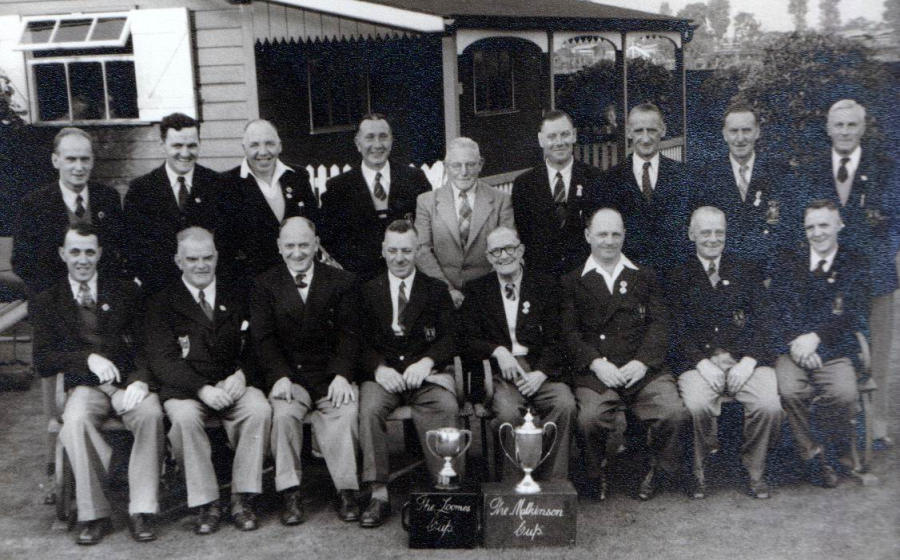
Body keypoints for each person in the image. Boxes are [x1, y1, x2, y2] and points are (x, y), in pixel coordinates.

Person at [32, 224, 163, 545]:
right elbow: (43, 360)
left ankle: (142, 509)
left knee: (151, 414)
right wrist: (87, 359)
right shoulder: (48, 299)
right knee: (74, 422)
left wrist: (142, 380)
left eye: (89, 251)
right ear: (63, 254)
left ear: (100, 254)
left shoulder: (125, 291)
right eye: (75, 251)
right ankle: (94, 514)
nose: (82, 259)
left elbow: (148, 344)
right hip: (85, 388)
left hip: (127, 383)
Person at [146, 227, 271, 534]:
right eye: (192, 259)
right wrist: (200, 388)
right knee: (185, 419)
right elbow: (162, 359)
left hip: (232, 385)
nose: (200, 265)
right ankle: (207, 503)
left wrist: (244, 374)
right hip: (187, 390)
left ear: (216, 257)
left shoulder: (238, 293)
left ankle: (242, 497)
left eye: (206, 258)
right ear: (178, 261)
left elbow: (260, 342)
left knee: (259, 409)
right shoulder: (162, 301)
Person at [562, 208, 688, 501]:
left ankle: (655, 469)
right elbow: (569, 333)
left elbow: (660, 324)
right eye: (602, 234)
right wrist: (595, 363)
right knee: (590, 418)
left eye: (616, 234)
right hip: (598, 372)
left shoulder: (644, 276)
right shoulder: (572, 281)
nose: (609, 241)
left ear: (624, 236)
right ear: (588, 236)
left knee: (673, 412)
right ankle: (595, 473)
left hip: (640, 369)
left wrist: (642, 362)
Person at [250, 217, 361, 525]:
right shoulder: (264, 285)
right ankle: (290, 492)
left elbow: (350, 334)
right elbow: (263, 338)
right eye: (290, 246)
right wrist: (278, 376)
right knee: (283, 415)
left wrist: (342, 374)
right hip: (291, 376)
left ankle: (347, 490)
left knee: (346, 411)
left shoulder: (342, 281)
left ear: (315, 245)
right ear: (279, 247)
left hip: (330, 375)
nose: (297, 253)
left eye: (303, 245)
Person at [670, 207, 784, 499]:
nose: (712, 239)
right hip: (699, 364)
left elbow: (768, 322)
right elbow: (676, 330)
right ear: (691, 234)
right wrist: (701, 364)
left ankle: (754, 470)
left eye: (719, 232)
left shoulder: (746, 270)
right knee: (696, 405)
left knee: (769, 405)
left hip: (744, 361)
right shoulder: (678, 274)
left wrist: (749, 361)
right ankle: (698, 471)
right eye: (705, 232)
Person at [801, 99, 897, 445]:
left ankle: (877, 423)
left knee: (877, 351)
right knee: (837, 344)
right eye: (838, 125)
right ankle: (842, 424)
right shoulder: (813, 170)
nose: (844, 132)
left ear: (862, 128)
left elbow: (892, 220)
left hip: (875, 277)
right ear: (828, 129)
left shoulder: (885, 169)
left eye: (851, 125)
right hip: (829, 276)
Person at [356, 219, 460, 528]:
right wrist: (377, 368)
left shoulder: (436, 289)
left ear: (417, 251)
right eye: (393, 251)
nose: (399, 258)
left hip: (424, 374)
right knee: (370, 408)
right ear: (383, 251)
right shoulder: (366, 290)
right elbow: (355, 340)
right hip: (384, 375)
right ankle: (378, 494)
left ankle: (446, 486)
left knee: (446, 406)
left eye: (406, 251)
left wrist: (427, 361)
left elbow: (452, 336)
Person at [461, 226, 575, 481]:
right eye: (496, 251)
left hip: (540, 370)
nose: (504, 256)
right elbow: (466, 340)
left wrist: (542, 373)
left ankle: (551, 484)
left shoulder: (545, 285)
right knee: (508, 414)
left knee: (564, 404)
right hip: (501, 375)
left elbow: (559, 338)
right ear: (488, 257)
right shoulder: (477, 290)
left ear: (521, 250)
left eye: (509, 248)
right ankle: (513, 489)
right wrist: (497, 350)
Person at [770, 200, 868, 488]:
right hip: (793, 350)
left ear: (839, 225)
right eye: (810, 227)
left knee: (844, 393)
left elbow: (854, 313)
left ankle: (821, 450)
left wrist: (817, 340)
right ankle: (813, 456)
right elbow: (776, 308)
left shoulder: (856, 262)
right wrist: (795, 344)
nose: (817, 233)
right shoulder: (789, 260)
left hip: (835, 349)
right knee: (789, 389)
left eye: (824, 225)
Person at [13, 127, 124, 296]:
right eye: (71, 159)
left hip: (104, 297)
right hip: (56, 300)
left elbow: (119, 251)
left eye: (84, 159)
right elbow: (22, 263)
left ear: (92, 161)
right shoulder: (34, 205)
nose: (79, 167)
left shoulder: (108, 198)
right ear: (55, 161)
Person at [320, 114, 431, 282]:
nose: (377, 145)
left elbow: (427, 230)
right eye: (370, 138)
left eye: (383, 137)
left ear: (392, 141)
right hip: (361, 281)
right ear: (358, 144)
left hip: (408, 277)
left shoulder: (415, 179)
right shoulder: (338, 188)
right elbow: (330, 238)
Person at [124, 113, 223, 296]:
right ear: (162, 146)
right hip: (160, 294)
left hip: (208, 292)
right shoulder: (141, 191)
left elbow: (226, 244)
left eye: (192, 145)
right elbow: (134, 250)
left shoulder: (217, 185)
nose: (185, 153)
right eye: (177, 145)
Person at [220, 120, 326, 288]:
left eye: (269, 143)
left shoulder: (297, 176)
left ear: (279, 146)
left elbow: (314, 223)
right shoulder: (227, 184)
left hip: (298, 279)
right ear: (244, 148)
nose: (263, 151)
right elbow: (225, 245)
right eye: (254, 145)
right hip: (253, 284)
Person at [694, 103, 794, 276]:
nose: (740, 138)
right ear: (724, 134)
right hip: (724, 276)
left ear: (757, 132)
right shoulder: (706, 175)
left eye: (746, 130)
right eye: (733, 131)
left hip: (768, 274)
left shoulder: (779, 172)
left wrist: (774, 275)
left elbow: (788, 230)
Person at [415, 137, 514, 308]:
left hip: (487, 296)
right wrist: (447, 289)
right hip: (442, 294)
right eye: (456, 165)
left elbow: (507, 250)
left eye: (470, 164)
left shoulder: (500, 201)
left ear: (480, 164)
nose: (464, 172)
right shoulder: (426, 202)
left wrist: (485, 290)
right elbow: (422, 250)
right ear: (446, 167)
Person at [599, 103, 692, 273]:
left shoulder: (684, 176)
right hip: (629, 278)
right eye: (639, 131)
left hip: (674, 277)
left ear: (663, 130)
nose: (646, 138)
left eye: (652, 130)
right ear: (628, 132)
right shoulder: (610, 180)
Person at [512, 110, 604, 276]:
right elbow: (523, 236)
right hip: (541, 280)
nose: (559, 142)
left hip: (585, 278)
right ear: (541, 140)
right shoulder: (524, 185)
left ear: (574, 135)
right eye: (552, 136)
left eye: (565, 134)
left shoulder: (595, 179)